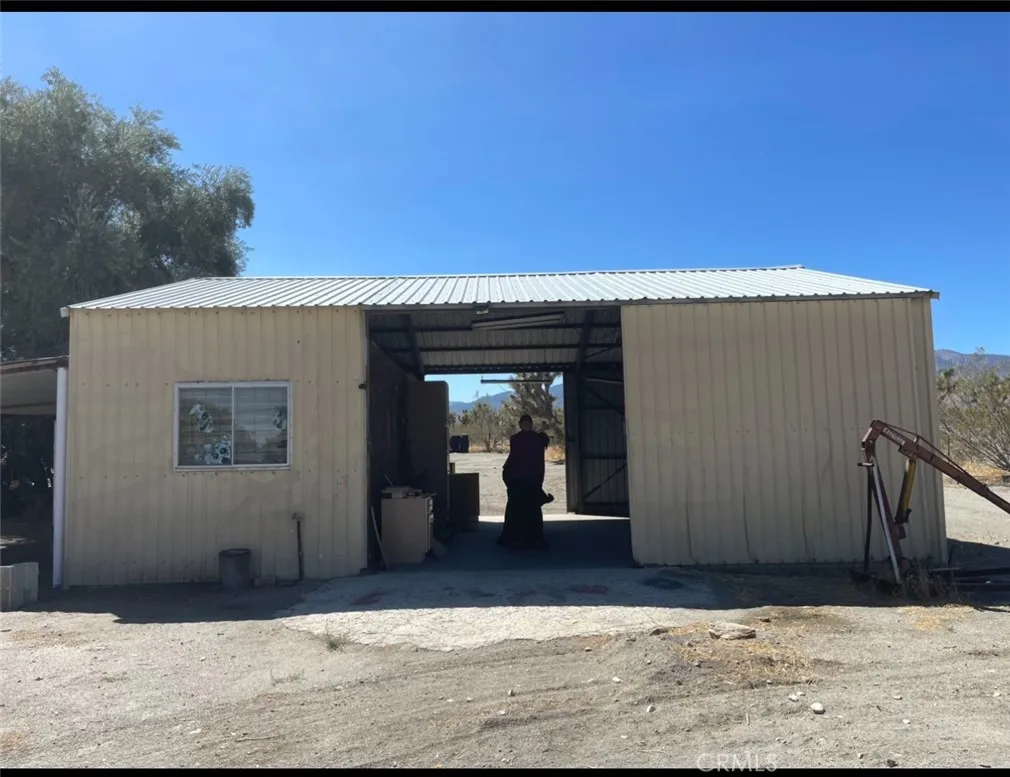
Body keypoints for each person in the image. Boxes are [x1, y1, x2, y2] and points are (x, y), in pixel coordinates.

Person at [498, 414, 552, 549]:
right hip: (529, 479)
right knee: (532, 509)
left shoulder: (516, 439)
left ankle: (516, 536)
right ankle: (532, 537)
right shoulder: (537, 439)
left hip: (519, 479)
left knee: (516, 508)